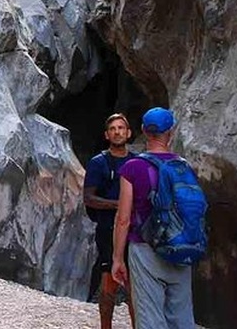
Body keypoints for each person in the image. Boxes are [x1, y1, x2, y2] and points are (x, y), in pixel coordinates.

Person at [112, 107, 195, 329]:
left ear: (143, 131)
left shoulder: (133, 167)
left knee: (150, 318)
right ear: (171, 131)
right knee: (181, 318)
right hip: (181, 247)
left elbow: (123, 218)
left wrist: (117, 258)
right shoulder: (184, 166)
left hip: (144, 248)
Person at [83, 113, 136, 329]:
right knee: (109, 281)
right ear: (107, 135)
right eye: (113, 128)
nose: (117, 132)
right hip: (107, 229)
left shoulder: (136, 162)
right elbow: (89, 198)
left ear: (129, 133)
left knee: (136, 284)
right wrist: (119, 205)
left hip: (135, 230)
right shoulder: (98, 163)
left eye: (121, 128)